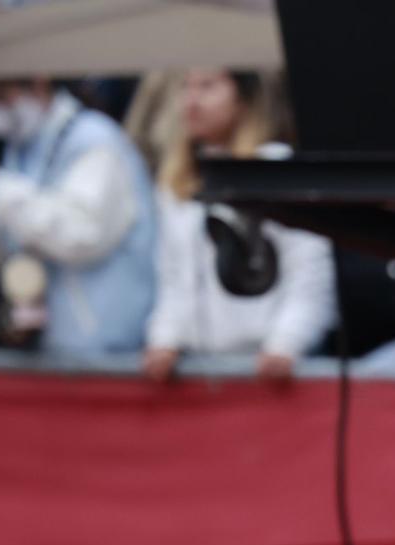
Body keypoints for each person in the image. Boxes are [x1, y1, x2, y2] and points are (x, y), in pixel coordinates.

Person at [142, 69, 334, 382]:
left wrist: (286, 342)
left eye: (207, 86)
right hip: (198, 369)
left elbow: (309, 275)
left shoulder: (279, 170)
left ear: (244, 100)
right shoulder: (176, 182)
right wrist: (164, 339)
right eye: (185, 88)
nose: (191, 101)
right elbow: (172, 277)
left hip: (272, 370)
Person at [0, 78, 156, 354]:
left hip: (106, 350)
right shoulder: (20, 147)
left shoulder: (94, 140)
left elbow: (81, 235)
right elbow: (1, 252)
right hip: (49, 347)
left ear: (39, 83)